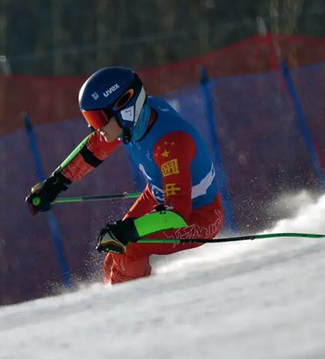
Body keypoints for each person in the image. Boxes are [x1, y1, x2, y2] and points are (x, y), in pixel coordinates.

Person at [25, 66, 224, 284]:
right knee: (113, 258)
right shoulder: (135, 121)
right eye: (90, 120)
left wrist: (129, 230)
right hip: (159, 196)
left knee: (128, 248)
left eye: (99, 119)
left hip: (199, 216)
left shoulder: (169, 143)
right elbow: (93, 149)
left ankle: (134, 306)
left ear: (125, 108)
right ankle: (119, 302)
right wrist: (55, 185)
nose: (96, 129)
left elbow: (178, 215)